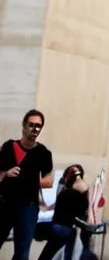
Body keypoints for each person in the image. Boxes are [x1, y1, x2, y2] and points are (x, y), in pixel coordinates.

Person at [0, 109, 54, 260]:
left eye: (38, 126)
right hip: (5, 203)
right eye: (31, 125)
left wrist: (28, 179)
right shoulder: (9, 147)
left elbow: (49, 181)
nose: (34, 129)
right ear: (24, 126)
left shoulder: (43, 153)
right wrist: (6, 174)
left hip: (28, 206)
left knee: (22, 252)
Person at [38, 164, 95, 260]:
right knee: (53, 253)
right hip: (66, 228)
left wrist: (90, 214)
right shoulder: (70, 190)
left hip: (63, 227)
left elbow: (88, 197)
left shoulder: (77, 187)